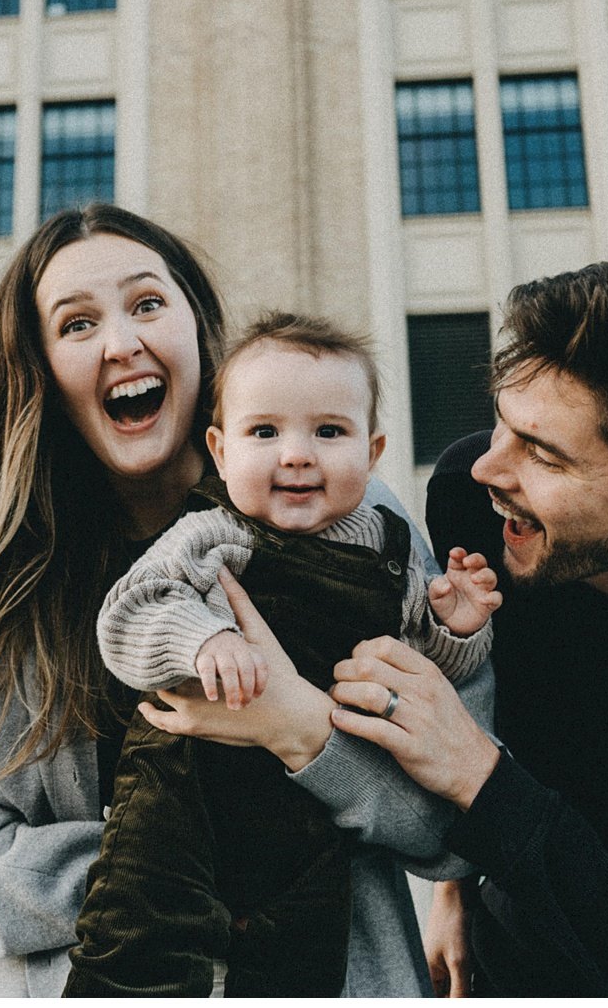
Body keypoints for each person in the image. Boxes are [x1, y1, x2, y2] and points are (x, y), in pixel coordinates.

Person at [141, 254, 608, 997]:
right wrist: (459, 893)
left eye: (541, 453)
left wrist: (482, 780)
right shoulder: (481, 506)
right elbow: (473, 711)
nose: (485, 467)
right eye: (501, 424)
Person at [0, 205, 483, 996]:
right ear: (41, 370)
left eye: (147, 305)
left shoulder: (359, 523)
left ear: (198, 330)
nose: (122, 342)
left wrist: (306, 733)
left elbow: (456, 826)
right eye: (77, 324)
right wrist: (159, 871)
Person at [65, 312, 499, 996]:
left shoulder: (389, 556)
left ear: (373, 450)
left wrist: (460, 626)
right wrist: (204, 638)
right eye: (264, 432)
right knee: (137, 935)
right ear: (221, 448)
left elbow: (435, 678)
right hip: (181, 794)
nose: (297, 455)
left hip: (311, 822)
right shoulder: (212, 534)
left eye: (329, 432)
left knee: (302, 963)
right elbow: (129, 613)